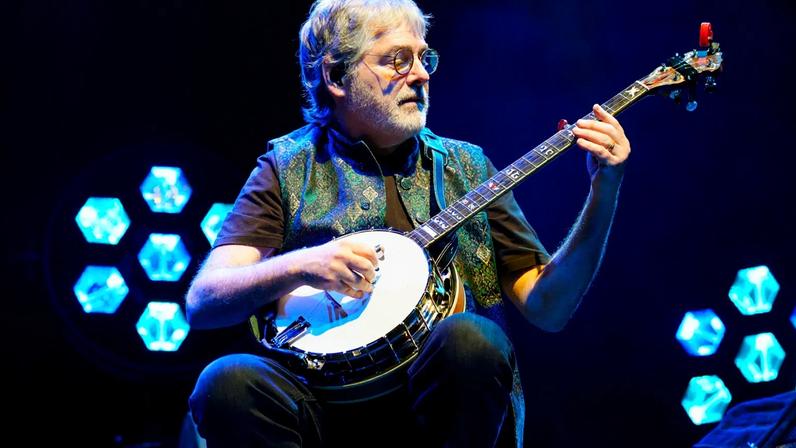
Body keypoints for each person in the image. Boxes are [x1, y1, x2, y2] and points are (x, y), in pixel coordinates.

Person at [186, 0, 631, 446]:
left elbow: (549, 307)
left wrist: (603, 191)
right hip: (320, 411)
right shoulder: (286, 167)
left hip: (436, 412)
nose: (420, 74)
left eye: (424, 57)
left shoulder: (465, 166)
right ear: (336, 77)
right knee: (226, 380)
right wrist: (301, 265)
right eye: (397, 59)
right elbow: (205, 301)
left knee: (471, 339)